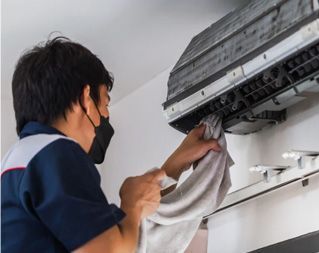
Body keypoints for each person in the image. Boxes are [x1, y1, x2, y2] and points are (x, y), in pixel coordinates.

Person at [1, 37, 221, 253]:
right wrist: (131, 204)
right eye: (105, 103)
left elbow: (116, 234)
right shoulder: (56, 153)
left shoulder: (19, 162)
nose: (105, 114)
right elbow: (109, 248)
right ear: (86, 99)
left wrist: (176, 164)